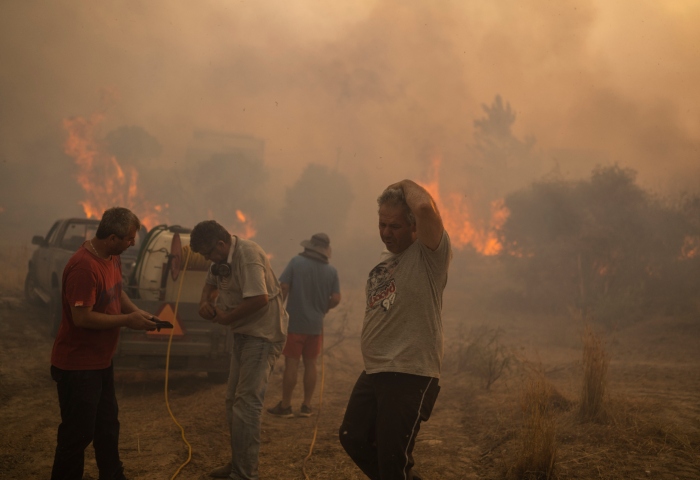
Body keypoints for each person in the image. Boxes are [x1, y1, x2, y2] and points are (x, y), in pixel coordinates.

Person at [339, 179, 452, 480]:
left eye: (395, 226)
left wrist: (404, 183)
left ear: (415, 228)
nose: (386, 233)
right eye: (382, 224)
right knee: (353, 437)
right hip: (376, 369)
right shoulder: (384, 264)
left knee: (393, 461)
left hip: (409, 372)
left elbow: (426, 207)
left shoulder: (429, 256)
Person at [50, 207, 158, 480]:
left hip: (101, 361)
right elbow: (81, 318)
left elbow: (117, 294)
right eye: (129, 239)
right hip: (78, 365)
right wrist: (126, 321)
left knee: (107, 427)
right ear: (112, 237)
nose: (133, 243)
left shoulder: (112, 257)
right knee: (77, 435)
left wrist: (137, 313)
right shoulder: (84, 267)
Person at [188, 220, 287, 480]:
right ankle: (237, 464)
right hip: (244, 334)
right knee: (233, 401)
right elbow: (210, 285)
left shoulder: (248, 255)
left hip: (262, 335)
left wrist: (226, 318)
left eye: (209, 253)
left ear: (222, 244)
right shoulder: (220, 258)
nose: (208, 259)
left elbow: (260, 299)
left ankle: (245, 475)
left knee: (246, 405)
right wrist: (204, 302)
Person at [267, 233, 341, 418]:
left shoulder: (296, 262)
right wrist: (323, 308)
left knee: (291, 363)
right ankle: (306, 406)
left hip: (295, 324)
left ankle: (285, 406)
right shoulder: (331, 271)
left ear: (309, 246)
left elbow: (283, 287)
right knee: (311, 364)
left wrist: (279, 312)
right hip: (315, 326)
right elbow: (336, 298)